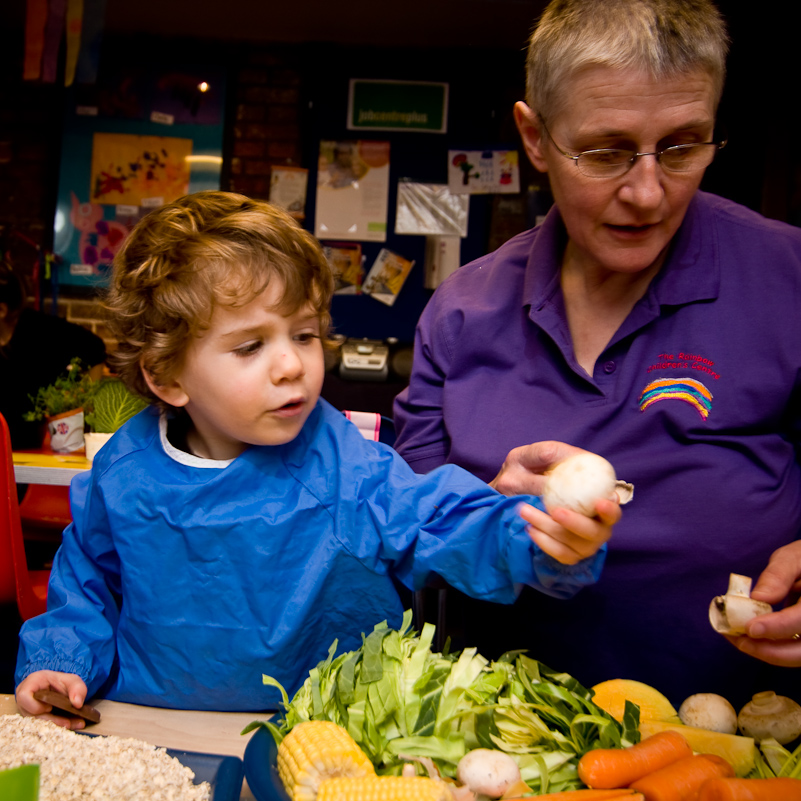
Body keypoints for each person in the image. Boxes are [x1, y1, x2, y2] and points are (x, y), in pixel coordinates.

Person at [14, 191, 620, 727]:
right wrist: (59, 661)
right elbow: (87, 581)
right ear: (168, 377)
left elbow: (440, 520)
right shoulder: (122, 472)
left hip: (320, 736)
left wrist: (537, 536)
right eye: (251, 345)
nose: (292, 364)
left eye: (304, 334)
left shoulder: (347, 465)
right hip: (149, 725)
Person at [393, 0, 801, 708]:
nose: (646, 193)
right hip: (503, 743)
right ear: (535, 136)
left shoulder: (788, 278)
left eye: (681, 146)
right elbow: (398, 538)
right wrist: (484, 513)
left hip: (734, 747)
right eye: (604, 151)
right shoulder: (459, 313)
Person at [0, 261, 106, 449]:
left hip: (26, 445)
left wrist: (86, 403)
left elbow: (94, 348)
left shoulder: (40, 330)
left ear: (2, 310)